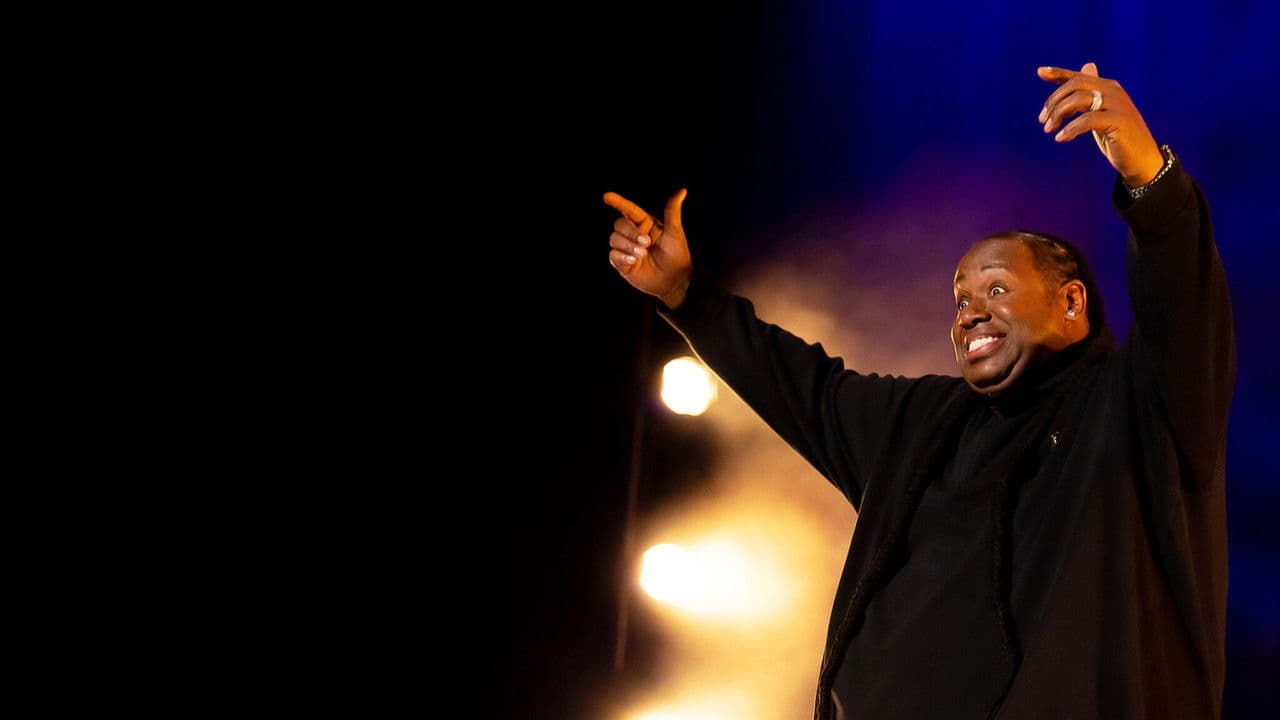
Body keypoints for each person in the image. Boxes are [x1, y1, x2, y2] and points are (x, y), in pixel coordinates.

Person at [602, 63, 1235, 719]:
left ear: (1071, 303)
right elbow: (799, 385)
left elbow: (1183, 306)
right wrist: (685, 294)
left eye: (996, 288)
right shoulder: (922, 424)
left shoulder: (1134, 408)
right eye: (960, 299)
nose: (969, 313)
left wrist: (1149, 179)